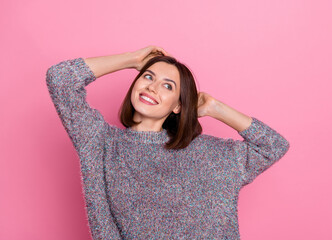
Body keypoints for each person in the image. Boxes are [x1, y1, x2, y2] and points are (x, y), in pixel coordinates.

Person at [46, 45, 290, 239]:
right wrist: (132, 59)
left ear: (178, 105)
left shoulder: (210, 154)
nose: (152, 87)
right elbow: (60, 79)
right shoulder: (101, 143)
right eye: (148, 76)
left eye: (167, 85)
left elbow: (273, 146)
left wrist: (215, 108)